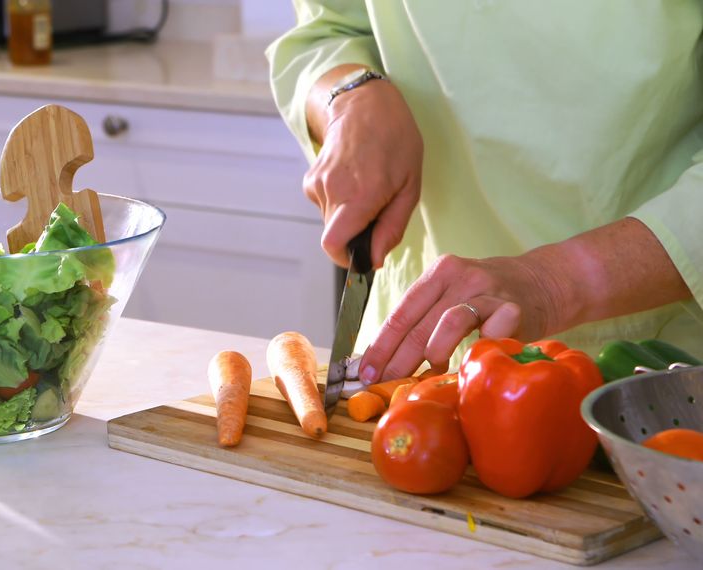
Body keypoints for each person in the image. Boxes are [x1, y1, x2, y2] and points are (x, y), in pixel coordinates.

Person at [267, 2, 703, 384]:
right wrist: (349, 97)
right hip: (411, 368)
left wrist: (551, 283)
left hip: (659, 375)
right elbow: (327, 32)